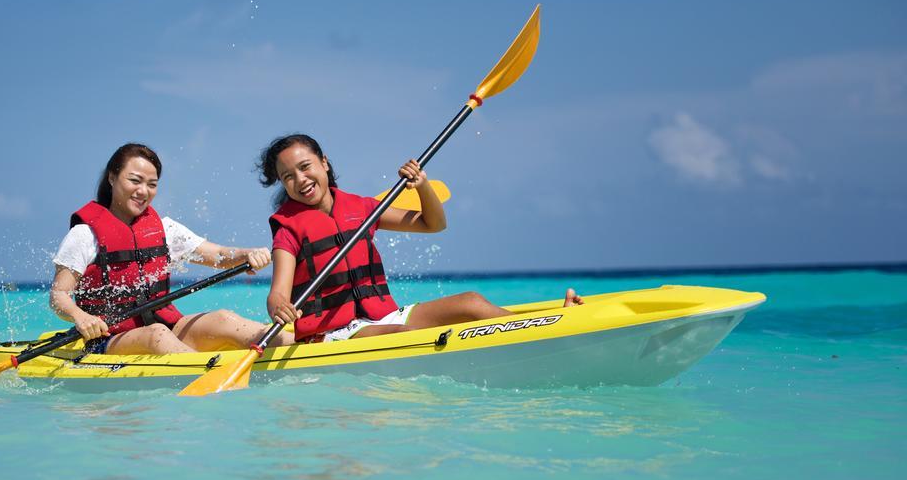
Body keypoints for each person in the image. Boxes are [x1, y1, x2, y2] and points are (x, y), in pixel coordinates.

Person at [258, 134, 582, 343]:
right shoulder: (288, 228)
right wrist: (280, 309)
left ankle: (551, 328)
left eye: (305, 167)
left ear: (324, 163)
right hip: (335, 333)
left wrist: (422, 185)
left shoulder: (363, 208)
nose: (300, 179)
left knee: (470, 301)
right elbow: (278, 295)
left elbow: (433, 224)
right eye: (288, 177)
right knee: (401, 336)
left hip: (383, 315)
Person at [50, 143, 294, 355]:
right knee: (156, 334)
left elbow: (218, 255)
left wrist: (246, 255)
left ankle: (306, 345)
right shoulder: (84, 235)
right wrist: (81, 317)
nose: (143, 191)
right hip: (107, 340)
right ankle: (208, 376)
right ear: (112, 178)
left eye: (152, 184)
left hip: (167, 329)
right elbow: (58, 296)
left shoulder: (165, 230)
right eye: (134, 180)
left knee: (223, 319)